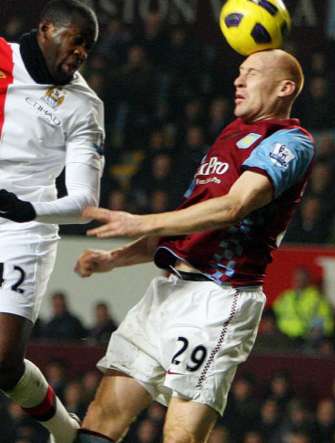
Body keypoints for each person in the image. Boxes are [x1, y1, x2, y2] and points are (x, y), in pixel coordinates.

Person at [75, 49, 314, 443]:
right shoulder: (230, 134)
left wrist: (141, 220)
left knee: (180, 435)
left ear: (284, 88)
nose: (237, 81)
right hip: (168, 290)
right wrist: (114, 260)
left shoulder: (291, 141)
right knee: (103, 414)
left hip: (219, 298)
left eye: (250, 74)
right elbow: (190, 219)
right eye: (238, 73)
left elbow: (233, 207)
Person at [0, 1, 104, 442]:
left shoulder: (84, 107)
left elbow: (84, 201)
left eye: (88, 48)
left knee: (3, 360)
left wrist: (26, 209)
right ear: (46, 29)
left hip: (25, 226)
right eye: (76, 40)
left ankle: (65, 432)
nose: (81, 53)